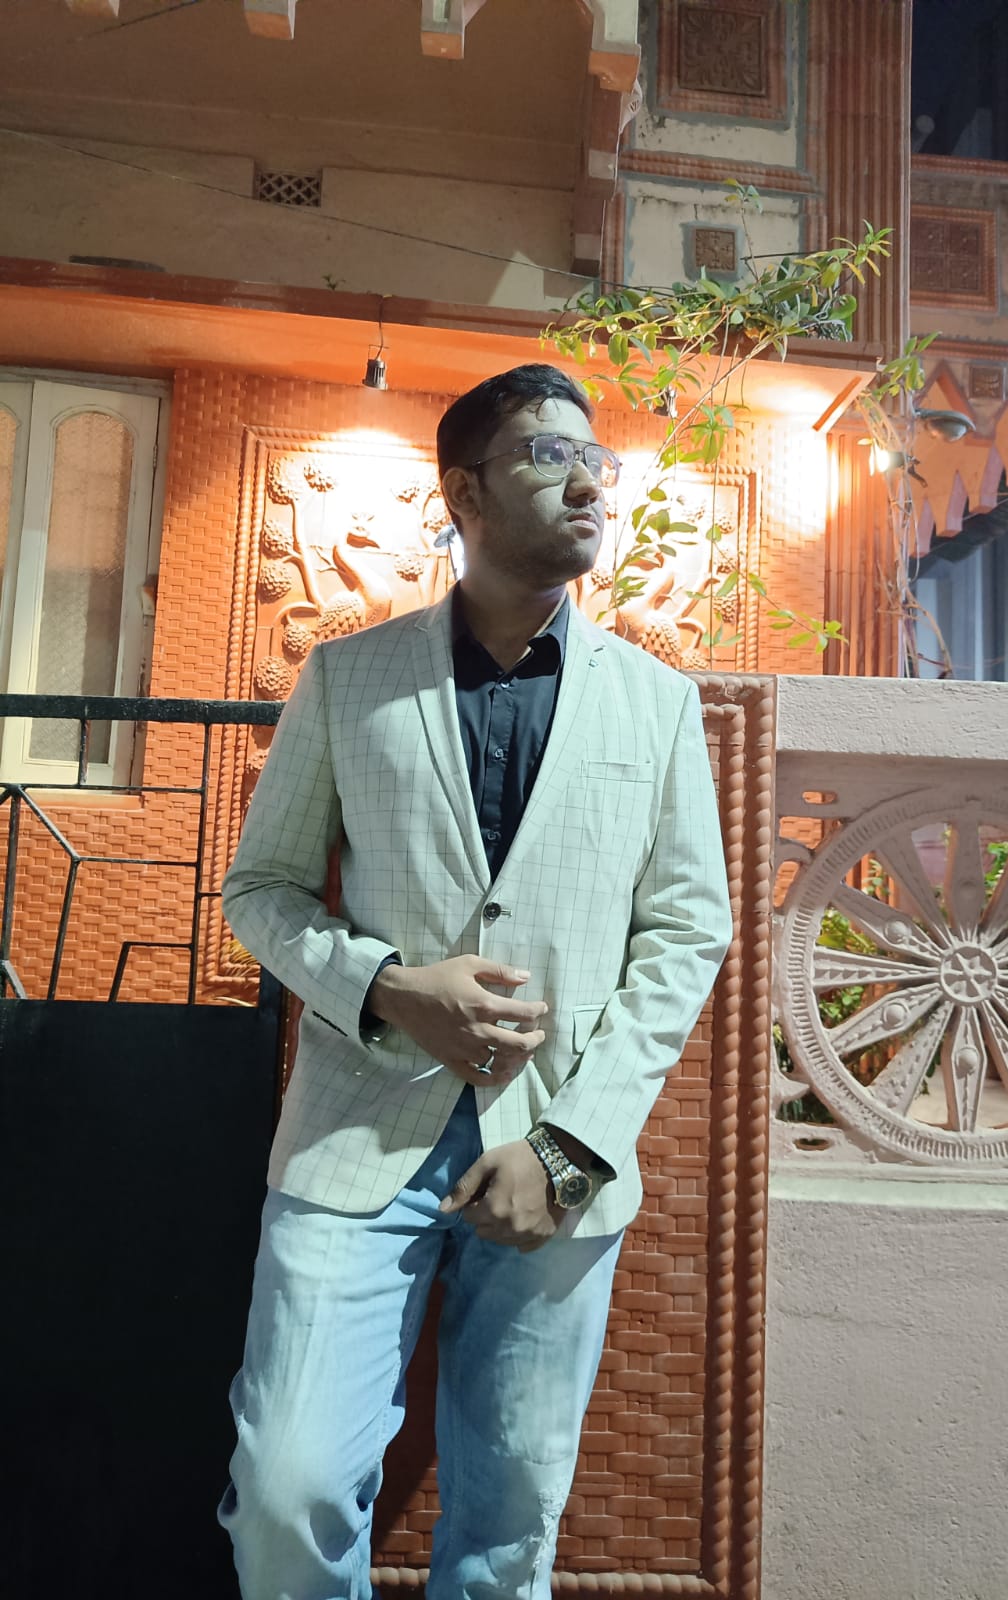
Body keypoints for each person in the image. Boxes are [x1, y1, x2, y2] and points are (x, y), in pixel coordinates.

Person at [218, 363, 733, 1600]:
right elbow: (261, 890)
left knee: (510, 1530)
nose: (588, 482)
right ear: (464, 492)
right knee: (286, 1489)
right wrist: (388, 984)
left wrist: (572, 1146)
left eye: (595, 459)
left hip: (557, 1150)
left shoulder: (659, 705)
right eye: (549, 456)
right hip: (354, 1137)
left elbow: (687, 934)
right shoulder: (349, 676)